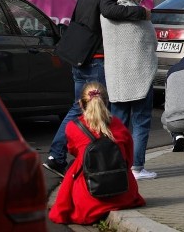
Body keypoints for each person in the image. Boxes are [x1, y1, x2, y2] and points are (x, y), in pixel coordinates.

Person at [44, 0, 151, 177]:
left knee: (79, 109)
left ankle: (57, 156)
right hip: (95, 58)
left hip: (79, 55)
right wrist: (141, 12)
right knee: (99, 112)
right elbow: (109, 11)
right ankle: (96, 161)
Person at [48, 82, 145, 225]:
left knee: (74, 168)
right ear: (106, 102)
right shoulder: (118, 124)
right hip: (124, 194)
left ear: (80, 104)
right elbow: (128, 160)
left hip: (89, 198)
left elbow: (73, 150)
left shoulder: (73, 127)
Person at [101, 0, 158, 180]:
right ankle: (137, 168)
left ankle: (119, 166)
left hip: (116, 76)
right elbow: (151, 42)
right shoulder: (139, 14)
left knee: (118, 123)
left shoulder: (106, 14)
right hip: (140, 75)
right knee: (141, 122)